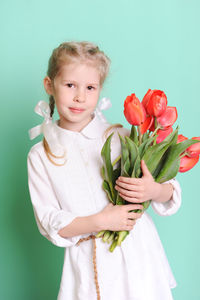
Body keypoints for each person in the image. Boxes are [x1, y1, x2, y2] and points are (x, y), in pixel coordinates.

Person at [27, 41, 182, 300]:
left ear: (99, 90)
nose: (80, 97)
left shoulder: (122, 136)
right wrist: (101, 221)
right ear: (49, 85)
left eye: (90, 87)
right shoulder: (40, 155)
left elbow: (170, 190)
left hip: (140, 260)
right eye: (69, 85)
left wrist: (153, 190)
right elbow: (49, 221)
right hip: (88, 267)